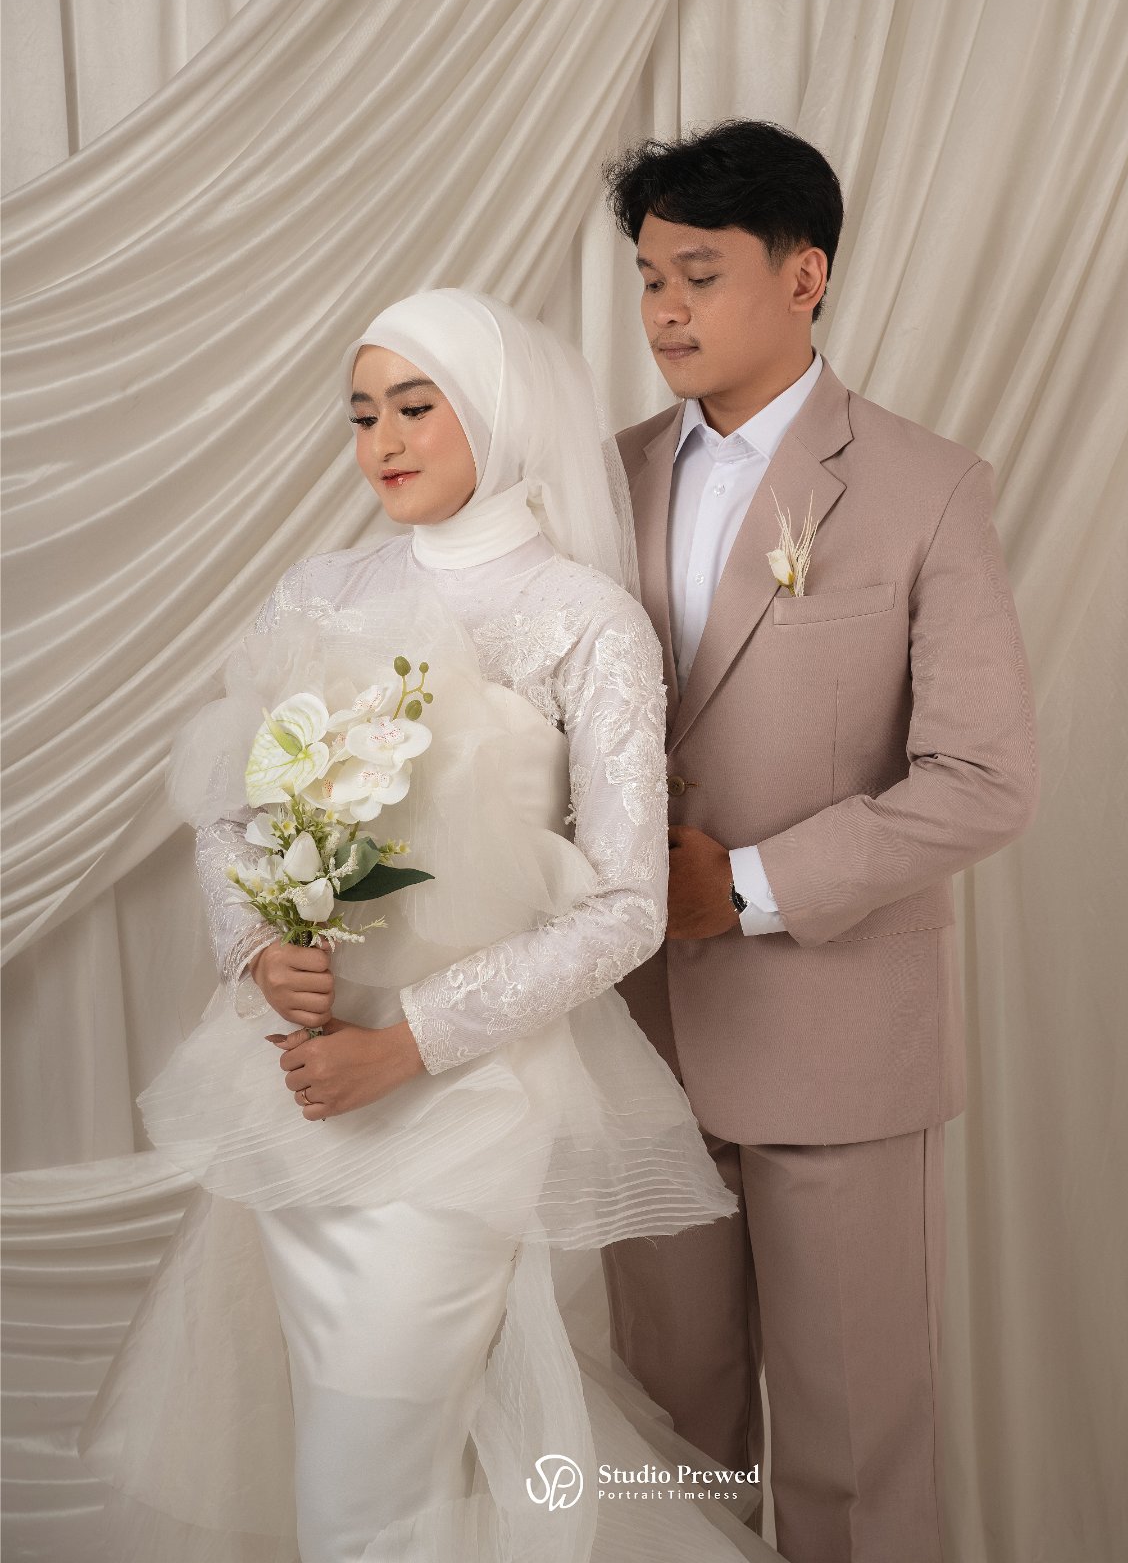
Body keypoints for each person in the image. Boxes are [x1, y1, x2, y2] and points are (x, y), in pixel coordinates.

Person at [76, 289, 784, 1563]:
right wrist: (257, 947)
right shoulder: (320, 592)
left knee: (372, 1476)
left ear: (498, 414)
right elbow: (231, 809)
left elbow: (626, 906)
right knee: (331, 1447)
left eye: (415, 407)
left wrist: (405, 1042)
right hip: (302, 1085)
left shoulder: (582, 619)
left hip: (466, 1096)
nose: (383, 442)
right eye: (362, 415)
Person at [600, 120, 1041, 1563]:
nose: (664, 310)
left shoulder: (925, 486)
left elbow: (982, 779)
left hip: (838, 1043)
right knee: (666, 1452)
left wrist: (737, 888)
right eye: (648, 277)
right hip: (637, 1047)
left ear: (805, 277)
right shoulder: (600, 480)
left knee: (855, 1464)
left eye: (699, 275)